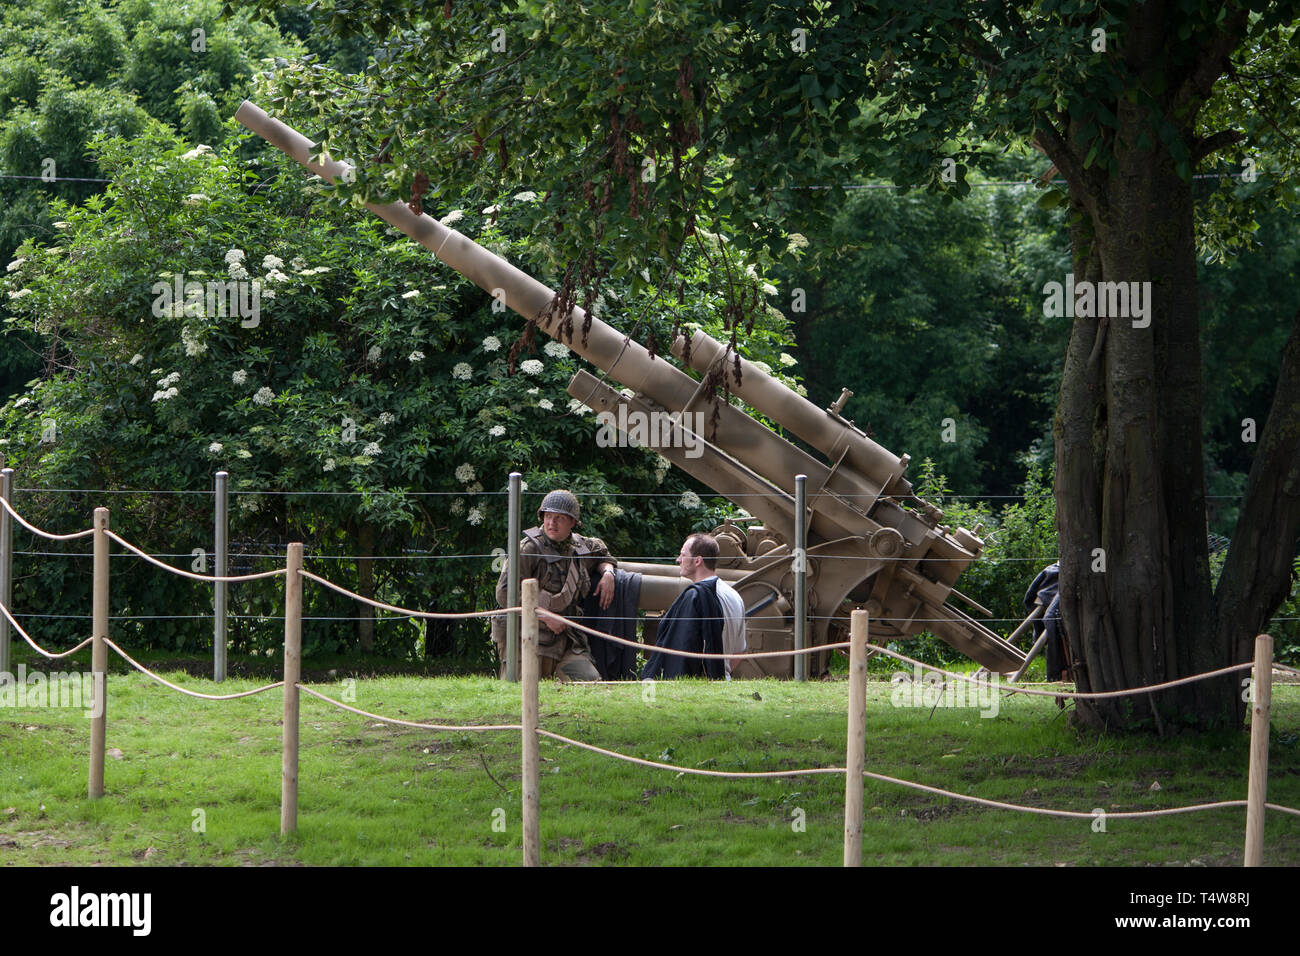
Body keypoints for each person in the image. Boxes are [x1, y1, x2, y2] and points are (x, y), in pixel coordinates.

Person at [492, 489, 616, 681]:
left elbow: (604, 554)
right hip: (527, 639)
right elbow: (504, 594)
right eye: (548, 516)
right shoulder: (528, 549)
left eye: (559, 518)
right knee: (519, 697)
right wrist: (545, 617)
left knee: (589, 683)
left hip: (567, 642)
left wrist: (608, 573)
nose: (552, 523)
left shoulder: (580, 547)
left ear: (573, 522)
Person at [641, 533, 745, 680]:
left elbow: (683, 647)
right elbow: (739, 652)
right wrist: (721, 672)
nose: (678, 560)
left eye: (683, 555)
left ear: (697, 561)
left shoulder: (696, 598)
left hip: (695, 685)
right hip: (721, 683)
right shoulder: (736, 596)